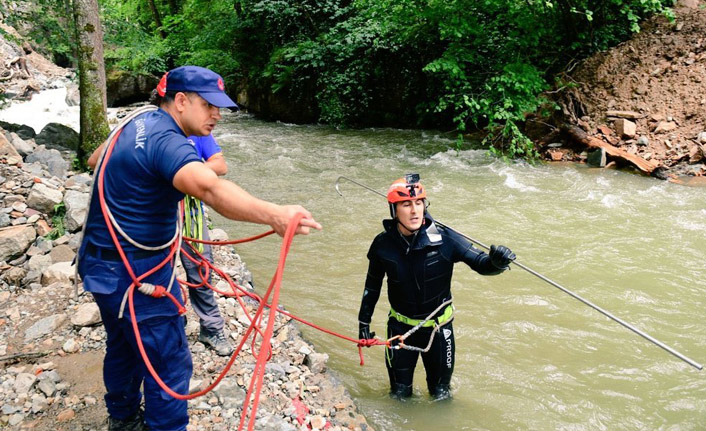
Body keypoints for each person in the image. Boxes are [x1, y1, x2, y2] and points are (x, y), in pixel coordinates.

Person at [79, 65, 321, 431]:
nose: (217, 115)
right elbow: (210, 189)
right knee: (168, 360)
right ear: (180, 101)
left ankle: (123, 418)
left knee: (124, 346)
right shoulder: (167, 141)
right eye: (209, 105)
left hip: (99, 265)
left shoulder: (136, 121)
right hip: (138, 276)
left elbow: (95, 160)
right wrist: (274, 214)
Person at [357, 174, 515, 400]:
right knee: (399, 395)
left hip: (439, 330)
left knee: (441, 395)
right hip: (400, 330)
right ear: (394, 210)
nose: (414, 210)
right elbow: (371, 287)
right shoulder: (383, 245)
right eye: (406, 204)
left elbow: (481, 264)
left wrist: (497, 263)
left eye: (419, 203)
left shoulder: (446, 239)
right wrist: (364, 323)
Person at [179, 133, 234, 356]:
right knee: (155, 270)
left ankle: (210, 328)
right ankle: (167, 322)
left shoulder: (197, 132)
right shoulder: (147, 128)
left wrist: (187, 171)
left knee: (200, 269)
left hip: (190, 212)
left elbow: (220, 165)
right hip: (154, 212)